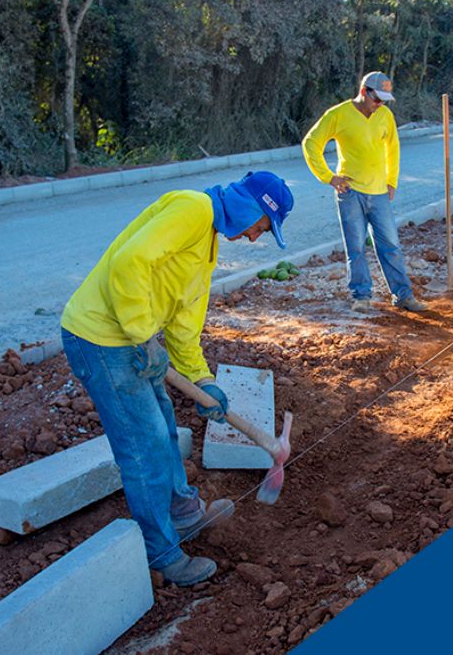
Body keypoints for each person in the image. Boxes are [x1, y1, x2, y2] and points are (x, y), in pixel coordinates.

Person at [60, 171, 294, 586]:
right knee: (143, 446)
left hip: (132, 340)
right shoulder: (193, 208)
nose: (257, 238)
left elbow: (184, 327)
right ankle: (162, 553)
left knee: (164, 427)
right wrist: (141, 334)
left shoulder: (207, 244)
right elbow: (129, 262)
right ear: (252, 207)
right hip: (101, 338)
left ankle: (184, 515)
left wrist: (203, 383)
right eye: (261, 227)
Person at [301, 71, 427, 313]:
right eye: (376, 99)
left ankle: (402, 295)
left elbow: (393, 148)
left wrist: (392, 181)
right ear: (363, 92)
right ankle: (361, 296)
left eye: (383, 100)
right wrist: (329, 177)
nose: (379, 104)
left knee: (391, 245)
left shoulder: (385, 116)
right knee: (356, 247)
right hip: (350, 193)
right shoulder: (338, 115)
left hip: (380, 192)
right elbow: (310, 143)